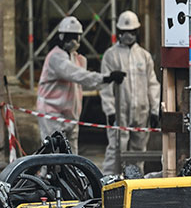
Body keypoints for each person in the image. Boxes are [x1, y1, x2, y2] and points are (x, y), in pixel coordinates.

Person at [37, 16, 125, 154]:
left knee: (71, 156)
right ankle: (46, 176)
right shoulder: (56, 57)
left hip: (71, 115)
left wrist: (105, 81)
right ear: (61, 37)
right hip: (52, 113)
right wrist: (105, 78)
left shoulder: (75, 58)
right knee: (52, 156)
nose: (73, 41)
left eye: (75, 36)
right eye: (69, 37)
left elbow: (83, 83)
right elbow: (77, 75)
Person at [100, 10, 161, 174]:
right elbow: (105, 87)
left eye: (131, 31)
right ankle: (107, 184)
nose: (128, 35)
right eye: (125, 32)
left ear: (137, 32)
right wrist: (110, 110)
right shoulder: (110, 56)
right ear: (119, 31)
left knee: (138, 151)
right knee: (115, 150)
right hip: (120, 113)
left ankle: (135, 186)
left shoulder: (144, 56)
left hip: (141, 112)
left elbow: (152, 84)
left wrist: (155, 111)